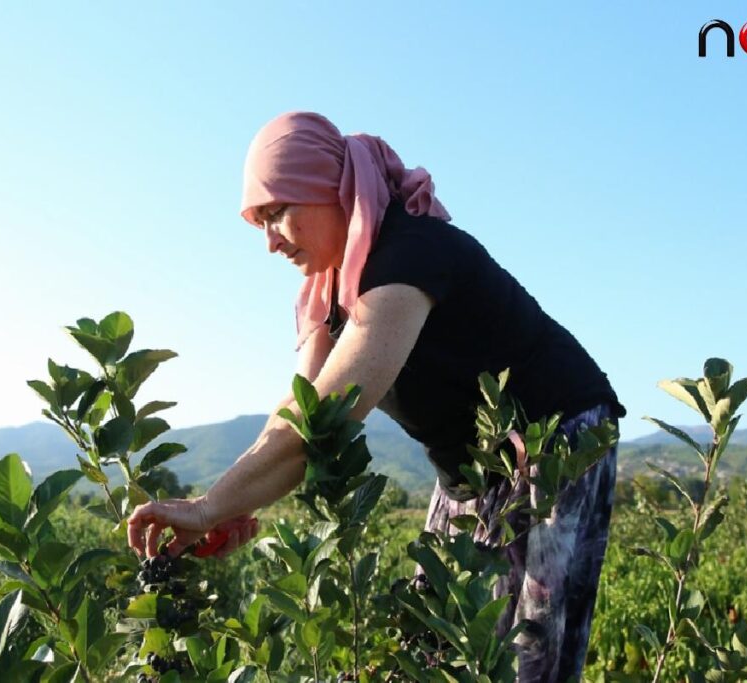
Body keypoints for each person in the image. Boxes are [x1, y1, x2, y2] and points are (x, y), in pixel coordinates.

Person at [127, 111, 626, 681]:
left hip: (556, 442)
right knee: (434, 647)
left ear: (329, 190)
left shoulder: (407, 256)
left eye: (278, 213)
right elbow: (294, 419)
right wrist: (229, 501)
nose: (269, 242)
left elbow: (324, 419)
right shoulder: (327, 294)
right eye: (259, 222)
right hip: (469, 471)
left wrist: (210, 507)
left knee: (527, 657)